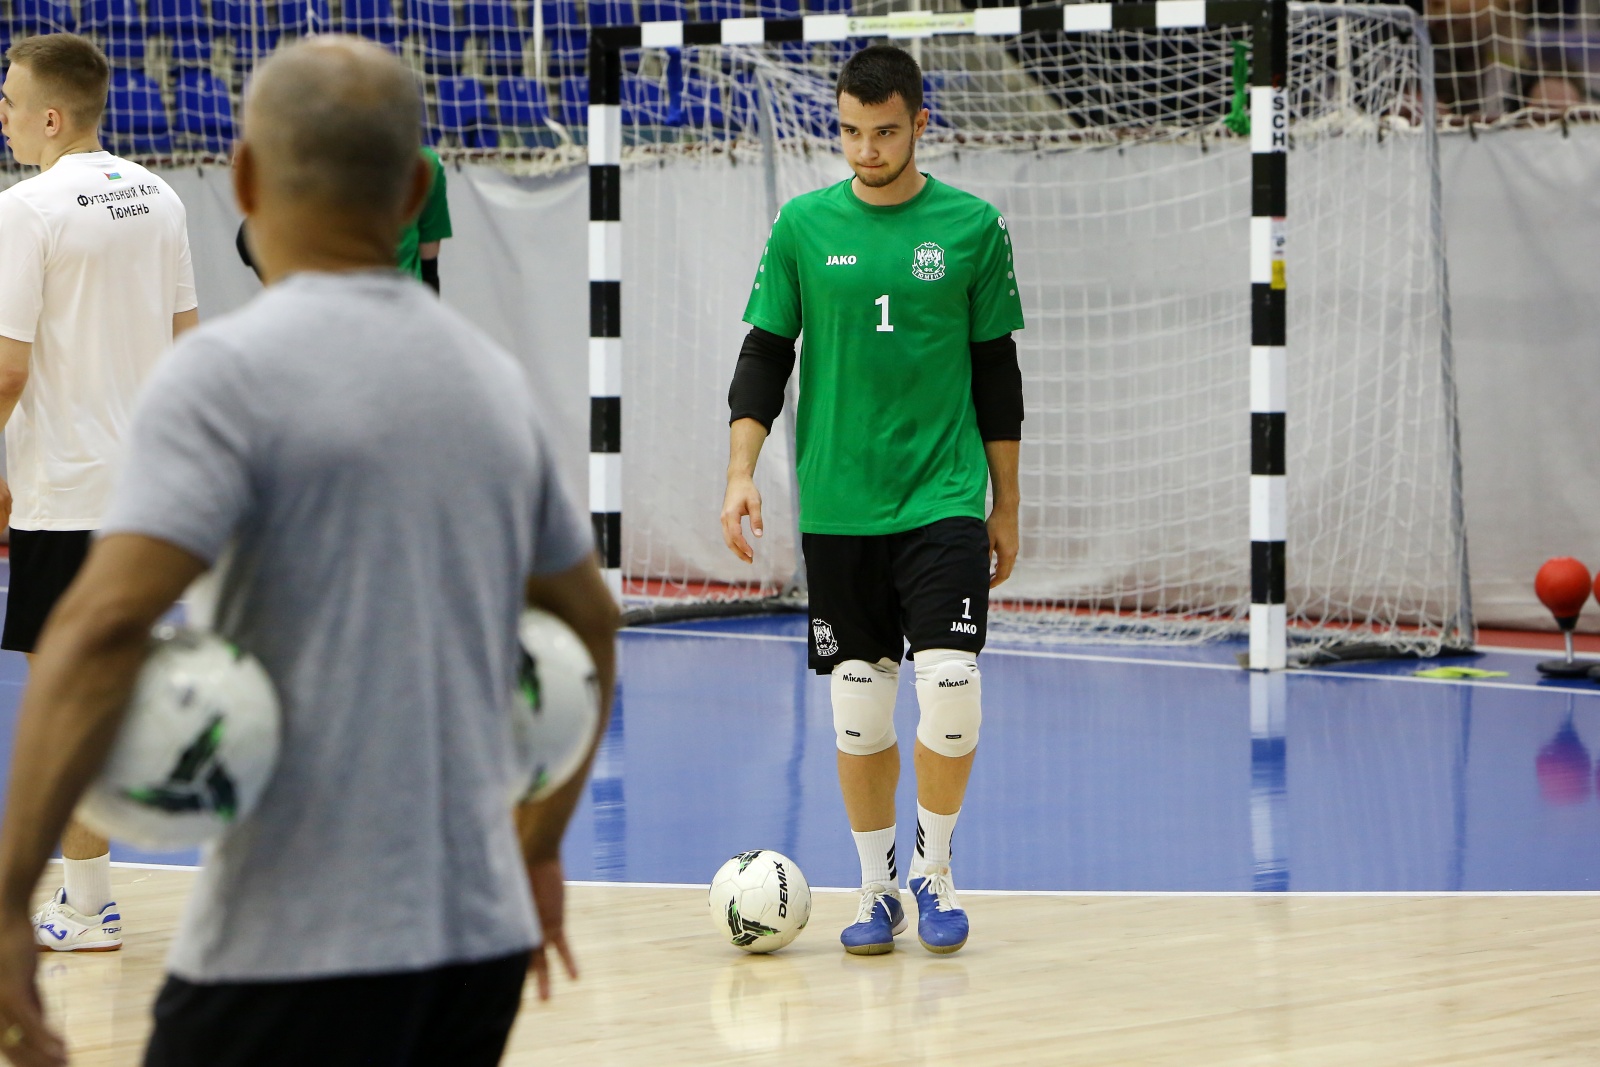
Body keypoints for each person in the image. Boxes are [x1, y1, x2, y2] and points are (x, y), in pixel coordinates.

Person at [0, 35, 617, 1067]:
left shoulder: (225, 377)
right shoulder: (489, 381)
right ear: (415, 191)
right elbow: (590, 624)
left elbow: (99, 631)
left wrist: (10, 900)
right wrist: (541, 848)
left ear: (245, 181)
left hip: (282, 948)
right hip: (475, 943)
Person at [720, 45, 1024, 957]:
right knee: (859, 708)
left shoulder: (972, 227)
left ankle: (935, 871)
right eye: (851, 132)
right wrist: (740, 470)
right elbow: (764, 355)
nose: (865, 150)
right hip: (839, 505)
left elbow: (997, 376)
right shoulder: (802, 226)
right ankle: (877, 889)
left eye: (884, 132)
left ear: (920, 123)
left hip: (943, 497)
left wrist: (1006, 504)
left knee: (953, 689)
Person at [0, 32, 198, 955]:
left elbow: (8, 369)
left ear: (50, 117)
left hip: (69, 494)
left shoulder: (27, 209)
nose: (1, 117)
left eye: (9, 102)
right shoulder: (159, 196)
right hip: (149, 498)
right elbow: (189, 345)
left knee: (70, 706)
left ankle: (86, 908)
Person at [235, 145, 451, 292]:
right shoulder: (424, 162)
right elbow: (429, 261)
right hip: (391, 312)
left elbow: (247, 238)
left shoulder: (319, 166)